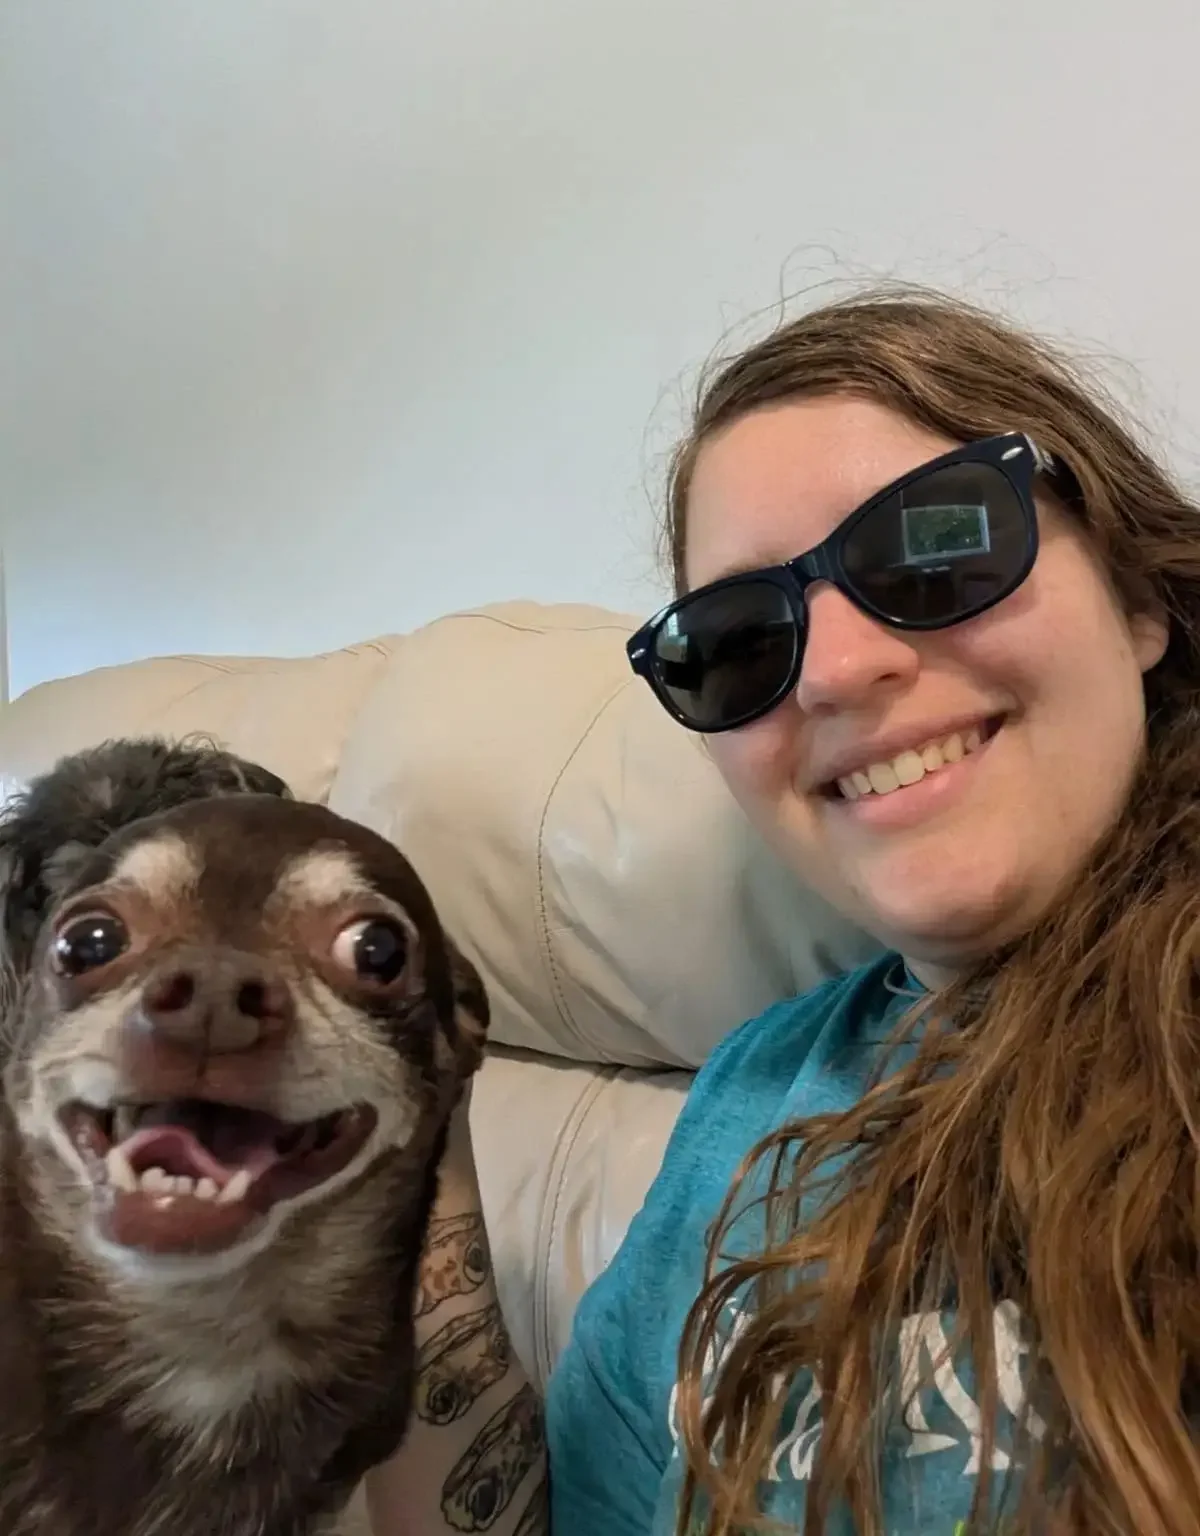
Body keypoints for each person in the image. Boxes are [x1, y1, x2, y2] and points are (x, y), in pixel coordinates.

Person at [367, 286, 1200, 1536]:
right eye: (741, 637)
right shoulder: (754, 1091)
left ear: (1138, 598)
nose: (836, 668)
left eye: (935, 546)